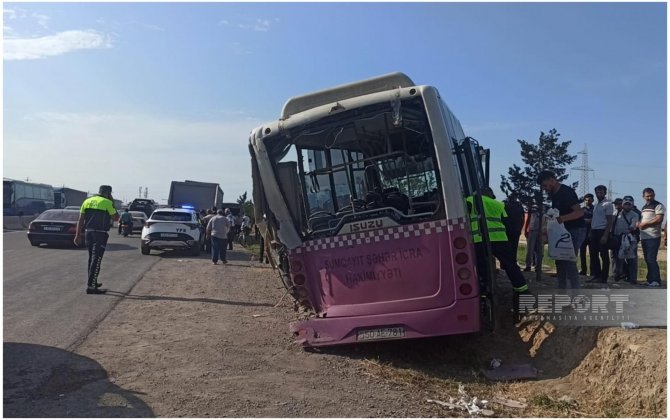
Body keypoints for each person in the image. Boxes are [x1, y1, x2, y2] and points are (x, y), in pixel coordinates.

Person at [466, 187, 530, 297]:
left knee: (482, 266)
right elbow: (505, 221)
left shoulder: (470, 200)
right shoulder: (499, 204)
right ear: (490, 194)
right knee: (510, 265)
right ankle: (522, 290)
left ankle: (485, 290)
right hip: (500, 238)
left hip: (480, 239)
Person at [537, 171, 585, 291]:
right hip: (563, 231)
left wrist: (562, 219)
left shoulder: (566, 192)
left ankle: (576, 294)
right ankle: (562, 293)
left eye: (544, 185)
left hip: (575, 229)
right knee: (559, 261)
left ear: (551, 180)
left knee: (569, 261)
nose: (544, 189)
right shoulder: (554, 194)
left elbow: (579, 212)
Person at [74, 185, 120, 294]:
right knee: (97, 259)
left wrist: (77, 235)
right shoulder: (107, 202)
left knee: (92, 258)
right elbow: (116, 218)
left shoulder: (87, 201)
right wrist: (112, 202)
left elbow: (80, 220)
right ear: (109, 193)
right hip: (100, 234)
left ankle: (92, 282)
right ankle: (91, 287)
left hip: (88, 233)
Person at [638, 187, 665, 287]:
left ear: (654, 195)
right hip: (644, 236)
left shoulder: (658, 205)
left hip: (653, 236)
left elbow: (659, 219)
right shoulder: (644, 207)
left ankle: (656, 280)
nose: (649, 197)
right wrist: (639, 224)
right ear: (643, 196)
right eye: (647, 196)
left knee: (651, 259)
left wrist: (645, 224)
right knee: (647, 259)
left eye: (651, 195)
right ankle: (649, 280)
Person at [588, 185, 614, 284]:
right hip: (594, 231)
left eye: (601, 192)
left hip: (602, 231)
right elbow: (595, 219)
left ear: (605, 193)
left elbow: (609, 221)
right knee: (593, 254)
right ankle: (596, 275)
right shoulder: (596, 204)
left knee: (604, 255)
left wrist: (605, 235)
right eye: (597, 192)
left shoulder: (608, 204)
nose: (599, 194)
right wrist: (591, 231)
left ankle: (604, 277)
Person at [614, 196, 640, 285]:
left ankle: (632, 278)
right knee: (618, 258)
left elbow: (633, 225)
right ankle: (619, 275)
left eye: (629, 204)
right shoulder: (617, 213)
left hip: (630, 239)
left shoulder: (635, 215)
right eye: (626, 204)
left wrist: (629, 230)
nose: (627, 206)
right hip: (618, 238)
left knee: (632, 259)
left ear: (632, 205)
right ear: (623, 204)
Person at [503, 193, 525, 263]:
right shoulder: (519, 206)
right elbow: (523, 219)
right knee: (514, 247)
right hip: (516, 230)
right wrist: (520, 228)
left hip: (508, 229)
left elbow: (503, 217)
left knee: (506, 247)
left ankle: (505, 263)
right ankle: (512, 262)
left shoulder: (505, 205)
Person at [523, 204, 544, 272]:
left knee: (540, 250)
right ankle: (528, 266)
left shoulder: (545, 206)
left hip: (541, 231)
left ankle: (538, 267)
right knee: (530, 249)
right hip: (532, 230)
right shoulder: (532, 206)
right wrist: (526, 229)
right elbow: (528, 217)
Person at [579, 193, 594, 276]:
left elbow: (596, 219)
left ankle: (592, 271)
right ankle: (583, 270)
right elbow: (580, 220)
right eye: (586, 200)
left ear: (593, 200)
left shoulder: (595, 209)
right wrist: (587, 221)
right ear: (584, 201)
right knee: (582, 253)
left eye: (590, 200)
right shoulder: (582, 210)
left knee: (592, 253)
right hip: (583, 234)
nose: (588, 201)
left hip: (592, 234)